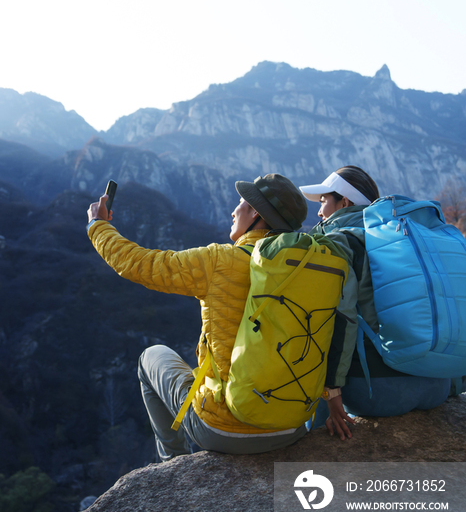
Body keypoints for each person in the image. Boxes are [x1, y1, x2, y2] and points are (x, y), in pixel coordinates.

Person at [87, 174, 309, 461]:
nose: (233, 211)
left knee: (150, 358)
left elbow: (141, 264)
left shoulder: (221, 261)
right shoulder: (308, 266)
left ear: (256, 212)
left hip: (225, 429)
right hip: (290, 426)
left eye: (240, 203)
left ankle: (173, 464)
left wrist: (98, 226)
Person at [299, 165, 450, 441]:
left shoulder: (339, 243)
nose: (319, 213)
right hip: (437, 385)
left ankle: (310, 456)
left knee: (314, 372)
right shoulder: (401, 237)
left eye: (323, 202)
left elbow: (341, 319)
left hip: (381, 393)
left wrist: (331, 393)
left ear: (344, 202)